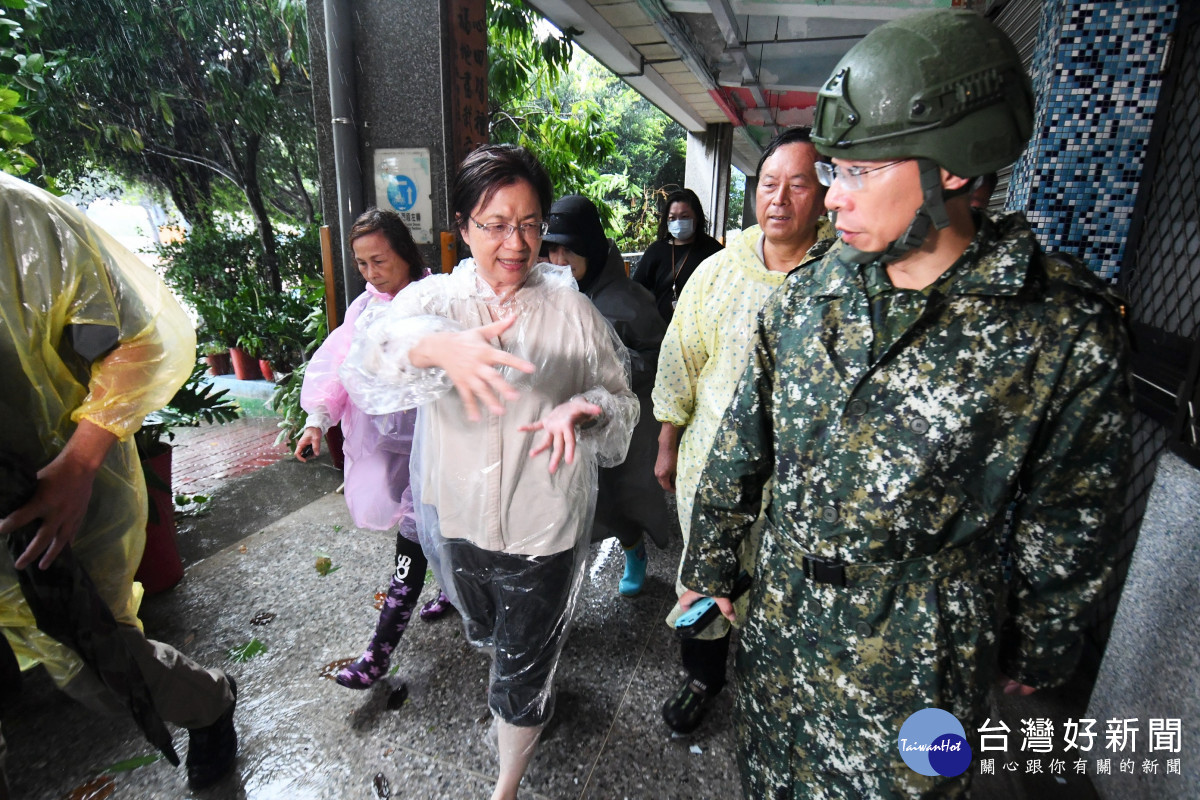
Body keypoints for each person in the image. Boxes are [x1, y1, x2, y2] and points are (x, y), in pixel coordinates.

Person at [679, 10, 1132, 798]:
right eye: (834, 170)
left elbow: (1072, 512)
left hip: (917, 652)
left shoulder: (1059, 328)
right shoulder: (809, 294)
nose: (835, 196)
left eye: (860, 172)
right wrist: (710, 562)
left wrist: (1040, 645)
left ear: (952, 169)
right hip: (782, 620)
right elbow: (742, 444)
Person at [341, 144, 637, 800]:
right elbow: (368, 359)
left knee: (523, 668)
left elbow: (619, 402)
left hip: (545, 526)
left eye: (530, 223)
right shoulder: (436, 299)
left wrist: (583, 409)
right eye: (495, 223)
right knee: (494, 639)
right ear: (462, 225)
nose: (515, 242)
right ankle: (522, 701)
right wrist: (434, 345)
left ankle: (506, 783)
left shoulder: (572, 313)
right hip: (460, 522)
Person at [0, 172, 238, 791]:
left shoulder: (17, 218)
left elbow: (140, 340)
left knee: (99, 667)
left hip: (47, 504)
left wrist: (79, 463)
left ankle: (208, 702)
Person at [652, 127, 835, 735]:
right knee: (704, 581)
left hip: (798, 488)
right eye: (767, 184)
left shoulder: (845, 275)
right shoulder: (718, 272)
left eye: (797, 185)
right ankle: (701, 677)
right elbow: (680, 361)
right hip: (711, 473)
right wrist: (667, 441)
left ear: (824, 192)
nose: (778, 199)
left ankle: (773, 687)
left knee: (780, 597)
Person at [294, 207, 451, 689]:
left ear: (404, 253)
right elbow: (336, 363)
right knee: (424, 529)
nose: (370, 273)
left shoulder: (439, 299)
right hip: (388, 448)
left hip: (440, 445)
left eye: (378, 260)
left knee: (426, 533)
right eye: (361, 264)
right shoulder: (364, 309)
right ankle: (450, 590)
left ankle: (377, 654)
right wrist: (316, 421)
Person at [541, 194, 669, 596]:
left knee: (618, 499)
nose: (559, 260)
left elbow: (660, 359)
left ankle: (633, 550)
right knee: (570, 503)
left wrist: (610, 361)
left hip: (617, 422)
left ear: (592, 249)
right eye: (553, 249)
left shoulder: (631, 301)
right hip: (565, 424)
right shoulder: (544, 297)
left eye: (569, 250)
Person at [632, 188, 724, 323]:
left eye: (685, 216)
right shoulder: (656, 250)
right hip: (660, 332)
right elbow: (637, 291)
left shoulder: (714, 251)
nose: (678, 222)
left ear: (697, 217)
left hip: (700, 331)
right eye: (672, 218)